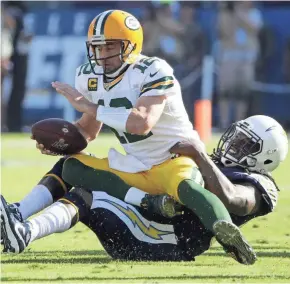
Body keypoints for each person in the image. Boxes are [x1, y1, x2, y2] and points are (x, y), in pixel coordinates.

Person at [1, 10, 255, 264]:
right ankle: (20, 213)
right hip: (136, 167)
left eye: (110, 46)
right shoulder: (90, 75)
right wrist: (58, 142)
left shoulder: (152, 69)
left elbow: (141, 123)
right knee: (72, 166)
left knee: (187, 188)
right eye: (97, 47)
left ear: (131, 45)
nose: (102, 55)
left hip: (175, 159)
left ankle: (227, 234)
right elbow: (88, 131)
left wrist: (89, 106)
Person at [1, 115, 287, 263]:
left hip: (168, 239)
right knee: (73, 166)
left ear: (265, 158)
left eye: (247, 144)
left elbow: (234, 200)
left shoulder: (261, 185)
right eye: (237, 136)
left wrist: (199, 156)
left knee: (87, 196)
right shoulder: (213, 161)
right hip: (148, 214)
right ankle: (17, 213)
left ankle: (25, 234)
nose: (234, 144)